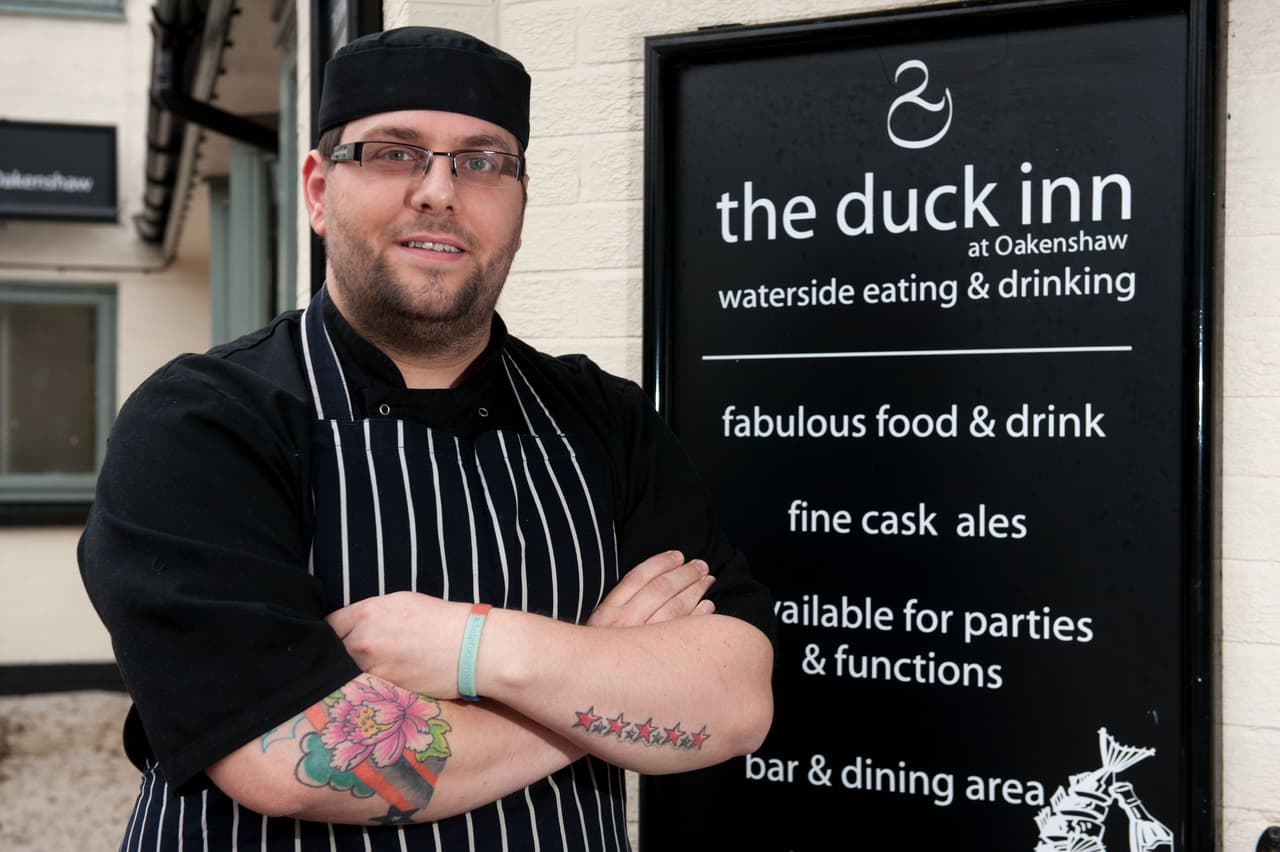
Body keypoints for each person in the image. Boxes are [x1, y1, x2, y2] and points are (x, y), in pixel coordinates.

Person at [79, 25, 775, 852]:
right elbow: (287, 756)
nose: (440, 191)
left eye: (482, 160)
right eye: (393, 152)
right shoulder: (203, 421)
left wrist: (476, 650)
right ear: (315, 189)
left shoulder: (604, 419)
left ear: (520, 203)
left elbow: (734, 703)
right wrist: (602, 689)